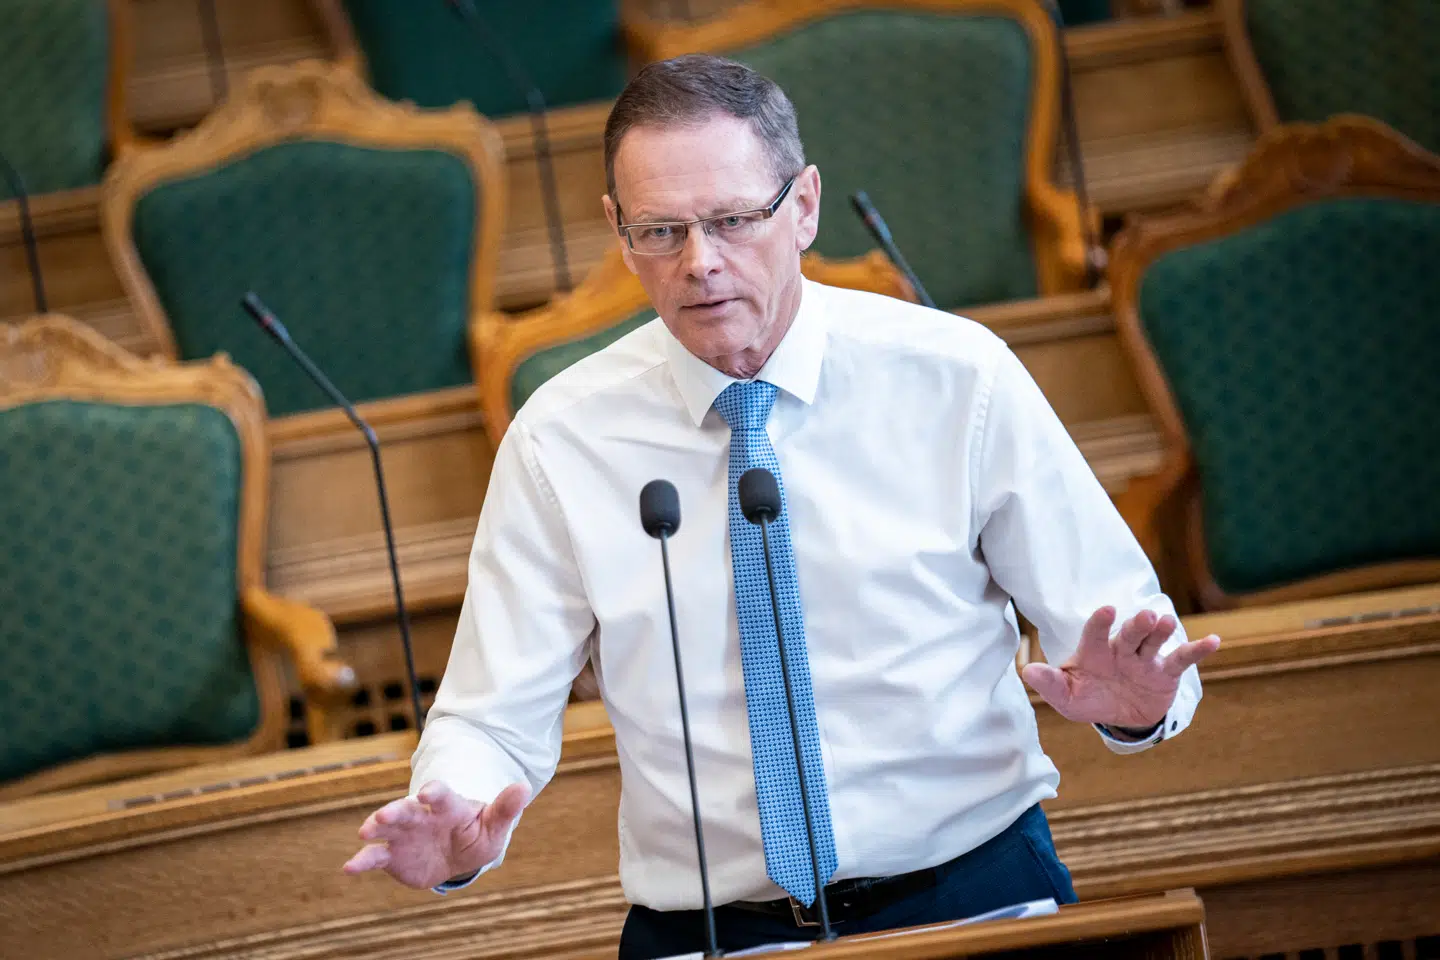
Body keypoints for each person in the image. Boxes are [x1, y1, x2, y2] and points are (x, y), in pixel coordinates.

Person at [343, 54, 1221, 959]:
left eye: (732, 220)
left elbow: (1126, 635)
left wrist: (1137, 703)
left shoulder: (959, 378)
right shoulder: (560, 440)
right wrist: (455, 814)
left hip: (976, 900)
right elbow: (491, 713)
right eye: (660, 231)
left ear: (803, 206)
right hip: (710, 935)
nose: (700, 263)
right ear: (618, 232)